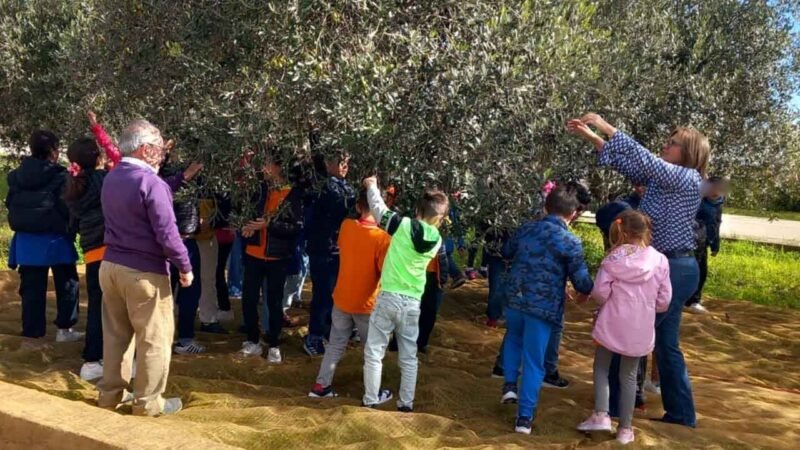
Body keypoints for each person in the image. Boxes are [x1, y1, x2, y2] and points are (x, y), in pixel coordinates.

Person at [568, 113, 708, 428]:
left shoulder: (686, 178)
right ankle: (680, 414)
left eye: (672, 144)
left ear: (688, 151)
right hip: (670, 266)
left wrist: (604, 125)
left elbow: (644, 158)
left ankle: (614, 410)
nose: (665, 145)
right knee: (664, 343)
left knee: (624, 329)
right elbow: (630, 165)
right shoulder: (664, 180)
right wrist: (592, 138)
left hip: (671, 266)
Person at [98, 119, 192, 416]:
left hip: (110, 265)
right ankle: (149, 403)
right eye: (160, 147)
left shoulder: (112, 177)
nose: (163, 153)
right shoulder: (151, 182)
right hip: (144, 272)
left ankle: (110, 395)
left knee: (116, 337)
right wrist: (184, 266)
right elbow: (167, 233)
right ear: (145, 149)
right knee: (154, 339)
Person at [499, 184, 594, 435]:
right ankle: (524, 418)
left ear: (545, 206)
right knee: (534, 361)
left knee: (512, 339)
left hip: (515, 298)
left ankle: (509, 385)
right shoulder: (570, 241)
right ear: (572, 213)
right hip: (543, 306)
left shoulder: (527, 229)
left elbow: (506, 251)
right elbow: (582, 281)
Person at [577, 210, 671, 445]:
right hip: (640, 325)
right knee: (629, 376)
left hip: (612, 320)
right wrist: (650, 306)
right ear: (645, 231)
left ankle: (601, 414)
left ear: (622, 231)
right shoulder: (659, 260)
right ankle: (626, 429)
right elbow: (665, 300)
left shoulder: (613, 259)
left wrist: (607, 299)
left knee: (601, 366)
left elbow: (600, 292)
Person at [361, 176, 448, 412]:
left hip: (389, 295)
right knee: (409, 356)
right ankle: (406, 403)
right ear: (440, 219)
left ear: (418, 210)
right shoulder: (437, 241)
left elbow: (379, 211)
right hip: (412, 303)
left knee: (374, 351)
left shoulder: (404, 225)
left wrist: (371, 187)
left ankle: (370, 398)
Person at [308, 188, 391, 398]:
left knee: (335, 344)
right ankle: (373, 393)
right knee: (371, 351)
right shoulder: (382, 238)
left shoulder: (346, 227)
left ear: (357, 206)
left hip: (342, 299)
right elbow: (383, 271)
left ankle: (321, 386)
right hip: (366, 304)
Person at [6, 130, 82, 343]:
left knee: (31, 287)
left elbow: (10, 203)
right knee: (67, 282)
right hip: (55, 237)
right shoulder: (60, 176)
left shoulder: (17, 176)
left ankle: (32, 332)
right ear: (53, 152)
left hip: (26, 239)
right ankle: (64, 329)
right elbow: (68, 205)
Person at [239, 148, 304, 363]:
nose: (264, 167)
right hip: (254, 253)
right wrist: (248, 228)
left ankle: (274, 344)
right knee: (248, 299)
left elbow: (295, 227)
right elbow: (248, 213)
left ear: (278, 167)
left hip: (277, 256)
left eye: (267, 162)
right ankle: (253, 340)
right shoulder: (261, 189)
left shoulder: (292, 193)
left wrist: (270, 224)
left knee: (274, 302)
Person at [64, 137, 115, 381]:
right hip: (114, 250)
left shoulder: (73, 185)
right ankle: (112, 359)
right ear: (98, 157)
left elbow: (72, 222)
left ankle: (92, 360)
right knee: (116, 310)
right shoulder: (106, 180)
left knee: (96, 306)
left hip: (92, 252)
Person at [304, 146, 356, 356]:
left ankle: (327, 332)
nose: (345, 167)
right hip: (323, 249)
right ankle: (314, 336)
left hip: (338, 249)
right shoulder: (324, 187)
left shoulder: (345, 187)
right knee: (323, 295)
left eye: (347, 163)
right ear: (328, 164)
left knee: (334, 295)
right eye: (340, 163)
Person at [686, 176, 726, 314]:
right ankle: (691, 300)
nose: (715, 192)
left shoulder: (719, 203)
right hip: (694, 242)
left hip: (705, 243)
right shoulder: (698, 202)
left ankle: (694, 299)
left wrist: (716, 244)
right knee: (695, 271)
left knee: (702, 271)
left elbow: (717, 224)